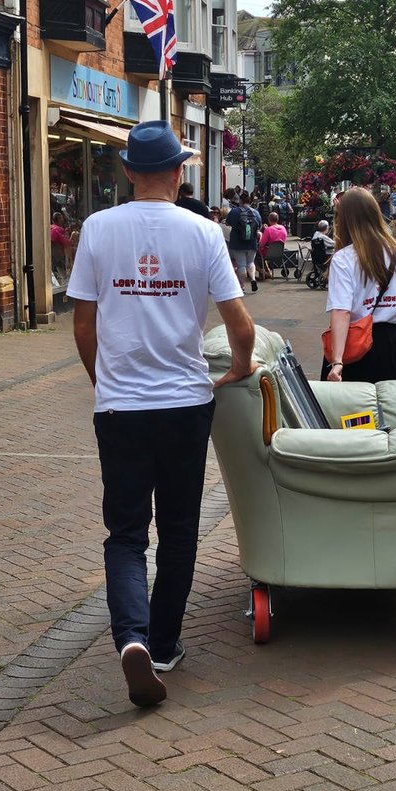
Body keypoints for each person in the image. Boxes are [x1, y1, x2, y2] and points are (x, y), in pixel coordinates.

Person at [67, 120, 256, 708]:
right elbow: (238, 323)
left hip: (121, 406)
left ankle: (131, 638)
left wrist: (106, 384)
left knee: (125, 532)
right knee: (178, 528)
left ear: (127, 172)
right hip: (183, 402)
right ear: (179, 172)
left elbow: (82, 321)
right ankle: (165, 641)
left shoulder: (98, 228)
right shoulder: (203, 233)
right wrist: (242, 365)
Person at [323, 186, 396, 383]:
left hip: (356, 346)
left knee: (355, 412)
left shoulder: (344, 258)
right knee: (392, 411)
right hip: (394, 344)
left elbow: (341, 311)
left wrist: (337, 361)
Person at [226, 190, 263, 292]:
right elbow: (259, 226)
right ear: (250, 201)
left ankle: (241, 287)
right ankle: (253, 279)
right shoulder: (256, 212)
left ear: (241, 201)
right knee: (251, 262)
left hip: (238, 242)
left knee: (241, 264)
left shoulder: (234, 212)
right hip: (252, 242)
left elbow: (228, 223)